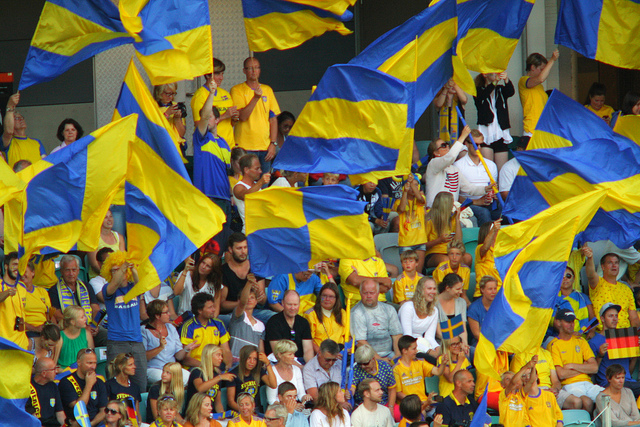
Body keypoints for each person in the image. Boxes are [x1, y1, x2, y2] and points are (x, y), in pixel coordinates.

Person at [101, 251, 147, 392]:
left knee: (141, 384)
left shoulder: (133, 287)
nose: (117, 273)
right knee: (115, 385)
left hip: (136, 341)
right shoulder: (107, 289)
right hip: (117, 342)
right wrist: (124, 266)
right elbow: (115, 282)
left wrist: (133, 269)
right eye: (114, 270)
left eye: (120, 269)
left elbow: (141, 286)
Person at [231, 57, 281, 173]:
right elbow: (242, 116)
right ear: (244, 71)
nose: (254, 71)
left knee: (264, 180)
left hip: (265, 146)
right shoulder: (237, 90)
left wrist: (273, 143)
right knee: (246, 180)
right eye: (250, 68)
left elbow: (273, 119)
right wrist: (255, 98)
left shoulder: (267, 90)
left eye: (257, 68)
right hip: (245, 146)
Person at [548, 309, 602, 412]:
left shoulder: (580, 340)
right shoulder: (554, 344)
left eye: (573, 321)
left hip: (588, 383)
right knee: (587, 402)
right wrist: (584, 368)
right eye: (568, 322)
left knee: (608, 397)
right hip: (569, 384)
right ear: (558, 322)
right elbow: (561, 374)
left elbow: (594, 368)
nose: (571, 324)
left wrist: (571, 366)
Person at [194, 78, 233, 219]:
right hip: (207, 196)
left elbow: (229, 173)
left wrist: (231, 195)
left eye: (210, 117)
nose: (205, 119)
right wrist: (211, 93)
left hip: (225, 198)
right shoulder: (201, 138)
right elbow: (204, 117)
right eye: (205, 117)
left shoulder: (224, 143)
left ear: (217, 120)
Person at [424, 125, 490, 208]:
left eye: (447, 144)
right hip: (436, 210)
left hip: (452, 211)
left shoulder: (455, 169)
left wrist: (485, 189)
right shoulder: (433, 164)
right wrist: (462, 137)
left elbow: (469, 188)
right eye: (443, 145)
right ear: (436, 153)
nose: (447, 147)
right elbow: (451, 156)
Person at [589, 303, 640, 397]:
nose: (614, 319)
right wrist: (600, 355)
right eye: (610, 316)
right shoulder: (593, 342)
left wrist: (636, 353)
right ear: (602, 319)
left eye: (616, 316)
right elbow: (592, 373)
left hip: (628, 382)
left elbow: (629, 371)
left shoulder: (624, 338)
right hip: (607, 384)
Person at [219, 233, 271, 325]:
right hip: (232, 313)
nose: (243, 251)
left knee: (273, 317)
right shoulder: (223, 271)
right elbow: (222, 304)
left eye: (245, 247)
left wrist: (257, 292)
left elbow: (262, 301)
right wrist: (242, 303)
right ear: (230, 249)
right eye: (239, 248)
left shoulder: (256, 267)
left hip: (254, 312)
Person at [585, 246, 640, 329]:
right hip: (604, 333)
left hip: (625, 333)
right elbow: (590, 274)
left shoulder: (626, 289)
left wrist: (635, 333)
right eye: (610, 263)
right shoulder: (598, 283)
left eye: (616, 263)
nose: (614, 265)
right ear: (603, 267)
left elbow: (634, 318)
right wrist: (590, 258)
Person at [453, 130, 500, 226]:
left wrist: (495, 195)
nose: (478, 148)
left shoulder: (491, 165)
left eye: (481, 145)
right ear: (466, 144)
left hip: (490, 203)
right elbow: (456, 195)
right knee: (484, 213)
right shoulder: (458, 166)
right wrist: (477, 202)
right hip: (469, 204)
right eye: (475, 144)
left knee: (506, 211)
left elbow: (495, 189)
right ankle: (487, 235)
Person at [191, 58, 239, 148]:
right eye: (217, 74)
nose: (221, 78)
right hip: (210, 146)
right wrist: (224, 116)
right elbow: (199, 126)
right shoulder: (200, 95)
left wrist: (234, 118)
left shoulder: (225, 94)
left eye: (222, 74)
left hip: (228, 145)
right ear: (207, 75)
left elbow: (230, 124)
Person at [351, 279, 403, 361]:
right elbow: (360, 342)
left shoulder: (389, 309)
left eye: (372, 293)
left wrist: (397, 356)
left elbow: (396, 335)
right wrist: (380, 359)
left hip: (390, 354)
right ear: (360, 293)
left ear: (378, 293)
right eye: (365, 293)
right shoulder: (356, 312)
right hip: (367, 358)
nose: (368, 296)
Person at [473, 71, 514, 171]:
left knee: (502, 170)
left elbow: (510, 92)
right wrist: (494, 83)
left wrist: (506, 80)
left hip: (500, 132)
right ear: (485, 74)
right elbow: (482, 96)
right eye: (494, 72)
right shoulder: (478, 90)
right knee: (488, 170)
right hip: (486, 132)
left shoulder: (500, 89)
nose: (497, 74)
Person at [393, 335, 444, 415]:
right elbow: (398, 393)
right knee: (421, 413)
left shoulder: (420, 362)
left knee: (443, 409)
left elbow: (438, 372)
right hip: (409, 406)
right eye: (414, 349)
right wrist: (419, 403)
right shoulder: (396, 369)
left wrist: (443, 363)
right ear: (404, 351)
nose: (416, 351)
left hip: (424, 402)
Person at [181, 292, 232, 366]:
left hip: (215, 365)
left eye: (213, 306)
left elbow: (226, 350)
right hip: (197, 366)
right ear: (200, 310)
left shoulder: (219, 324)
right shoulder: (189, 326)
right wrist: (206, 367)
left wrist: (228, 367)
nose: (214, 310)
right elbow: (186, 359)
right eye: (210, 307)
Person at [59, 348, 107, 427]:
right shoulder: (67, 382)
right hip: (76, 423)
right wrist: (89, 385)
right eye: (89, 363)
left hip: (95, 423)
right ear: (79, 362)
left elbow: (103, 411)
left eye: (95, 363)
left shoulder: (99, 382)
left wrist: (89, 425)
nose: (93, 367)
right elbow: (79, 409)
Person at [48, 255, 99, 329]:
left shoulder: (86, 286)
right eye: (67, 270)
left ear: (78, 271)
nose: (71, 273)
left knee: (105, 334)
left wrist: (94, 326)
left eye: (74, 270)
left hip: (90, 326)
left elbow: (95, 309)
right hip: (69, 328)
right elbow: (57, 314)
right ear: (61, 271)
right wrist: (77, 325)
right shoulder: (54, 290)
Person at [518, 50, 559, 142]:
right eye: (541, 69)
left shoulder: (539, 87)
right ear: (532, 67)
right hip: (531, 130)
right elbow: (541, 79)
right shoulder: (523, 80)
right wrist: (552, 60)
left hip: (542, 130)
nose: (542, 72)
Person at [264, 290, 314, 362]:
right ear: (283, 303)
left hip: (300, 360)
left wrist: (308, 366)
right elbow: (278, 353)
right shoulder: (273, 322)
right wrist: (298, 366)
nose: (292, 308)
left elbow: (308, 350)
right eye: (289, 304)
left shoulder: (304, 322)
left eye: (295, 305)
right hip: (279, 362)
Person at [397, 277, 440, 360]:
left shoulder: (434, 310)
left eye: (434, 289)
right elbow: (407, 337)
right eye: (429, 288)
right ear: (420, 290)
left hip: (422, 343)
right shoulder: (408, 307)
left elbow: (429, 337)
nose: (433, 292)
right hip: (407, 346)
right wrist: (429, 351)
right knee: (431, 360)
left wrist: (438, 348)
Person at [424, 192, 468, 269]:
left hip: (451, 252)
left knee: (467, 258)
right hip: (433, 253)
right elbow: (422, 245)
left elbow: (458, 241)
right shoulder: (429, 220)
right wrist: (439, 240)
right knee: (446, 260)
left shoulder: (452, 218)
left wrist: (457, 220)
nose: (453, 206)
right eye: (451, 203)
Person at [227, 344, 277, 412]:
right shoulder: (233, 374)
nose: (252, 362)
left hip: (255, 410)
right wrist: (246, 411)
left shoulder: (258, 371)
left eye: (255, 359)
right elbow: (231, 402)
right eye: (249, 358)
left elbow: (273, 385)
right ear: (243, 358)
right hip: (240, 411)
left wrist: (267, 363)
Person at [186, 344, 235, 412]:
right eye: (218, 355)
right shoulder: (197, 372)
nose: (221, 358)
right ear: (208, 355)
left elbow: (218, 403)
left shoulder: (216, 375)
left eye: (221, 356)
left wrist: (222, 415)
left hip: (211, 414)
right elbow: (200, 388)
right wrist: (219, 377)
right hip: (195, 414)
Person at [2, 92, 46, 168]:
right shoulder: (8, 142)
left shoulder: (37, 142)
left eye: (22, 117)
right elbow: (9, 131)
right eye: (17, 118)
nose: (21, 119)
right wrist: (10, 106)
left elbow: (45, 163)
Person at [229, 275, 267, 357]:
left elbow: (261, 351)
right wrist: (249, 283)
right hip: (235, 361)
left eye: (252, 298)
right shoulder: (238, 315)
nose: (249, 300)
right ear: (239, 300)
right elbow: (243, 303)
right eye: (247, 297)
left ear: (256, 301)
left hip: (252, 362)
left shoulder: (261, 325)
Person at [232, 154, 271, 233]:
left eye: (260, 168)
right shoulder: (238, 187)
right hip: (249, 232)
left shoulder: (257, 185)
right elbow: (246, 196)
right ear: (246, 170)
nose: (260, 171)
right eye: (257, 169)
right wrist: (261, 182)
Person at [304, 283, 347, 352]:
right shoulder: (311, 314)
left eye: (331, 297)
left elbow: (347, 336)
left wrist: (344, 351)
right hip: (320, 353)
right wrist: (322, 354)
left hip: (341, 352)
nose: (327, 299)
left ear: (336, 299)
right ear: (319, 296)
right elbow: (309, 341)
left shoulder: (342, 313)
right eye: (324, 296)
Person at [397, 175, 427, 273]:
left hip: (420, 241)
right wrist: (405, 191)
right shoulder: (398, 201)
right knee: (408, 273)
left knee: (418, 274)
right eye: (410, 185)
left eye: (416, 185)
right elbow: (401, 209)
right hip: (406, 242)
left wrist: (411, 183)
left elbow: (420, 198)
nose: (413, 187)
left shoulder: (420, 200)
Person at [351, 344, 397, 408]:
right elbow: (352, 386)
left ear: (373, 359)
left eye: (365, 363)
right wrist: (350, 392)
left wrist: (391, 407)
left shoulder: (385, 366)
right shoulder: (356, 369)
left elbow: (392, 389)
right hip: (365, 404)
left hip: (384, 402)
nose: (362, 366)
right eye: (360, 363)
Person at [266, 340, 310, 405]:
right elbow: (271, 400)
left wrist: (305, 397)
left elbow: (301, 394)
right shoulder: (272, 371)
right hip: (278, 408)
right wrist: (290, 406)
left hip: (295, 406)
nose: (293, 357)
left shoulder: (296, 370)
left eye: (293, 354)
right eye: (290, 354)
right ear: (279, 355)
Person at [554, 265, 595, 333]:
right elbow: (554, 322)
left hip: (584, 334)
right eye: (561, 277)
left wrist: (591, 331)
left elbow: (593, 319)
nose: (565, 279)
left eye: (568, 276)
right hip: (563, 335)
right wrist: (571, 333)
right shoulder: (554, 300)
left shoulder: (583, 297)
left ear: (573, 279)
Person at [498, 356, 537, 427]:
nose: (511, 380)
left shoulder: (521, 394)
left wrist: (533, 365)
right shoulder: (504, 395)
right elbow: (513, 383)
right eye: (507, 379)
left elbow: (531, 381)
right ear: (502, 384)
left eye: (513, 377)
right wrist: (526, 366)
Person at [87, 210, 126, 279]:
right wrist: (110, 277)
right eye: (105, 217)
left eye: (111, 216)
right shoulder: (93, 238)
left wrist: (118, 276)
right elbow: (94, 265)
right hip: (100, 277)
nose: (109, 219)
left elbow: (122, 260)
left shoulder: (119, 237)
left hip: (117, 276)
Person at [1, 252, 28, 348]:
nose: (18, 268)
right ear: (6, 266)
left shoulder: (22, 286)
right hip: (4, 343)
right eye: (15, 264)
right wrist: (7, 293)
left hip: (22, 343)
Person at [19, 260, 54, 336]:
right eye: (19, 272)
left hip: (45, 330)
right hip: (27, 331)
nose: (22, 275)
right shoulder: (16, 293)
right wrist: (35, 328)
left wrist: (51, 327)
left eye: (24, 271)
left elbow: (49, 314)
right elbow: (17, 320)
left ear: (33, 272)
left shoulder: (42, 291)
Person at [436, 274, 469, 349]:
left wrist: (465, 344)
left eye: (461, 289)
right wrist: (453, 344)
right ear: (447, 288)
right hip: (441, 344)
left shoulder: (461, 302)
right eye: (457, 289)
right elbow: (438, 332)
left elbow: (462, 329)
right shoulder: (435, 304)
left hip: (458, 344)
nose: (461, 292)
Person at [29, 357, 65, 427]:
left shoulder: (53, 386)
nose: (56, 371)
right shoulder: (28, 387)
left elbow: (60, 412)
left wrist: (64, 425)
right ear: (44, 373)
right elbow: (32, 416)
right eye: (53, 369)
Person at [433, 241, 471, 305]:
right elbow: (443, 292)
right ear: (448, 255)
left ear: (462, 256)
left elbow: (463, 294)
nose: (454, 257)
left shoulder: (466, 270)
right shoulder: (442, 269)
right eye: (451, 254)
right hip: (441, 298)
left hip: (457, 298)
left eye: (457, 254)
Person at [525, 362, 563, 427]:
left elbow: (558, 415)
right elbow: (525, 421)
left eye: (530, 374)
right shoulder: (523, 399)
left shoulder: (549, 395)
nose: (527, 378)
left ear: (536, 376)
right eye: (524, 376)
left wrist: (559, 424)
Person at [473, 220, 503, 298]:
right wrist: (493, 230)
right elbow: (485, 247)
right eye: (494, 230)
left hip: (499, 294)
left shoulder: (501, 251)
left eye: (497, 230)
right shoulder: (480, 249)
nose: (497, 232)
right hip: (482, 295)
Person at [433, 79, 468, 143]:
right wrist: (446, 89)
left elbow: (464, 100)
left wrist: (455, 85)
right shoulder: (440, 99)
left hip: (459, 136)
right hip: (443, 136)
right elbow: (438, 104)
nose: (453, 86)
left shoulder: (459, 100)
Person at [467, 275, 499, 346]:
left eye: (495, 288)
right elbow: (476, 334)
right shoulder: (474, 308)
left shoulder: (500, 305)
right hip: (480, 343)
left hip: (499, 342)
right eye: (490, 289)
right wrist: (492, 344)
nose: (493, 292)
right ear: (482, 290)